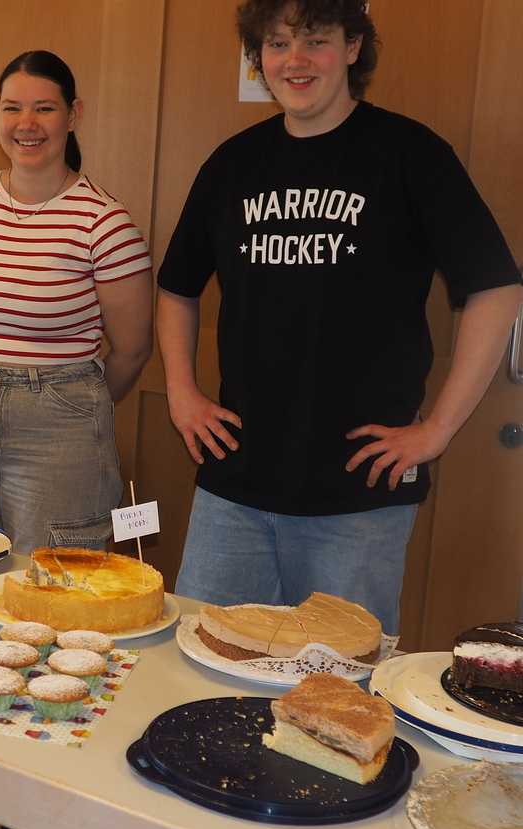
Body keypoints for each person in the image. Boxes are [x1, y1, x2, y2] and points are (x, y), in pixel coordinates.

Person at [156, 0, 522, 636]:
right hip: (234, 488)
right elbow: (176, 287)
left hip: (360, 495)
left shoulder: (410, 154)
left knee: (338, 681)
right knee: (204, 662)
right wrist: (181, 392)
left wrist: (437, 430)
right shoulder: (232, 164)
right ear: (260, 58)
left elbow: (496, 288)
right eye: (277, 44)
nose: (294, 60)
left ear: (353, 48)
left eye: (316, 40)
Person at [0, 50, 154, 557]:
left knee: (52, 577)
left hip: (61, 426)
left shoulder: (104, 221)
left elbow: (133, 350)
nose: (26, 124)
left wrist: (69, 401)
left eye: (44, 108)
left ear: (73, 115)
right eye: (12, 108)